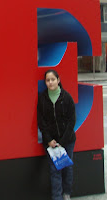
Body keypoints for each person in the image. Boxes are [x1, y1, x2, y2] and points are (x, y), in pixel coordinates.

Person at [37, 69, 76, 200]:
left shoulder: (67, 97)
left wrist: (63, 141)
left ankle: (67, 193)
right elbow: (41, 121)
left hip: (67, 141)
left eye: (53, 79)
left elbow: (72, 121)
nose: (50, 82)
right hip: (51, 142)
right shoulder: (42, 98)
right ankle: (57, 197)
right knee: (55, 170)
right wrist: (49, 140)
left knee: (67, 168)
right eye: (48, 80)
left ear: (58, 80)